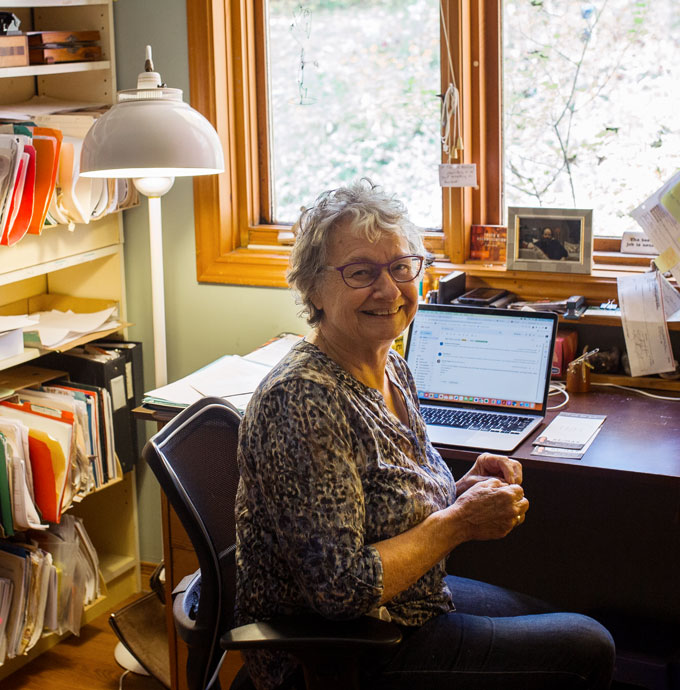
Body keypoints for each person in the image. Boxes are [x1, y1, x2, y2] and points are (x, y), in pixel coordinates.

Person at [235, 179, 615, 690]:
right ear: (313, 290)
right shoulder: (303, 400)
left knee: (551, 610)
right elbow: (342, 591)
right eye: (361, 272)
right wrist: (459, 522)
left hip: (412, 603)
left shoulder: (390, 364)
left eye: (400, 267)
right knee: (587, 647)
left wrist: (462, 490)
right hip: (347, 653)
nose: (389, 289)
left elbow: (387, 498)